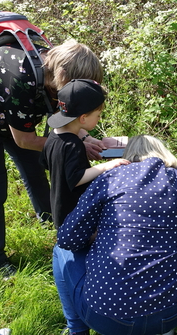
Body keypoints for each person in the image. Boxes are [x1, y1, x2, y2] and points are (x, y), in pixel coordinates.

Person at [0, 3, 108, 276]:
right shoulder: (18, 74)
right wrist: (75, 144)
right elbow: (24, 140)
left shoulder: (59, 66)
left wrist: (82, 135)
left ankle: (48, 220)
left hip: (12, 113)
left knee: (35, 169)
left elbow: (66, 114)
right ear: (62, 79)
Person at [52, 135, 177, 335]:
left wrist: (98, 236)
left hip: (110, 319)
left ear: (128, 155)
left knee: (59, 250)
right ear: (163, 153)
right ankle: (164, 329)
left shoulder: (110, 178)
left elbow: (68, 237)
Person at [40, 78, 130, 229]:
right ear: (83, 118)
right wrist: (107, 166)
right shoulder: (73, 144)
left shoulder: (53, 137)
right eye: (98, 115)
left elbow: (45, 163)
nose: (99, 119)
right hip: (74, 214)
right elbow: (76, 178)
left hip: (59, 209)